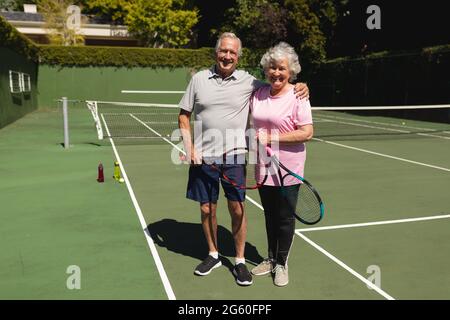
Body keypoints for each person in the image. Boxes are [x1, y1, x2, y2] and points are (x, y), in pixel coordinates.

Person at [178, 33, 309, 286]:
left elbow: (279, 82)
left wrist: (302, 85)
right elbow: (183, 116)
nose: (227, 56)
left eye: (232, 53)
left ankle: (239, 261)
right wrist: (189, 146)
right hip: (203, 157)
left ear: (238, 56)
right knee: (207, 209)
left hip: (235, 156)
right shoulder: (198, 79)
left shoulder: (250, 83)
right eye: (223, 51)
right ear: (216, 52)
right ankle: (213, 254)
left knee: (237, 208)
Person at [250, 42, 313, 287]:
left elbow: (307, 132)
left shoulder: (298, 95)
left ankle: (282, 263)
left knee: (285, 217)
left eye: (282, 68)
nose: (276, 72)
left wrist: (272, 137)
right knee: (270, 216)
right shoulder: (258, 92)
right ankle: (270, 257)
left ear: (291, 72)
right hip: (263, 166)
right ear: (266, 69)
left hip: (289, 168)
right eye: (273, 67)